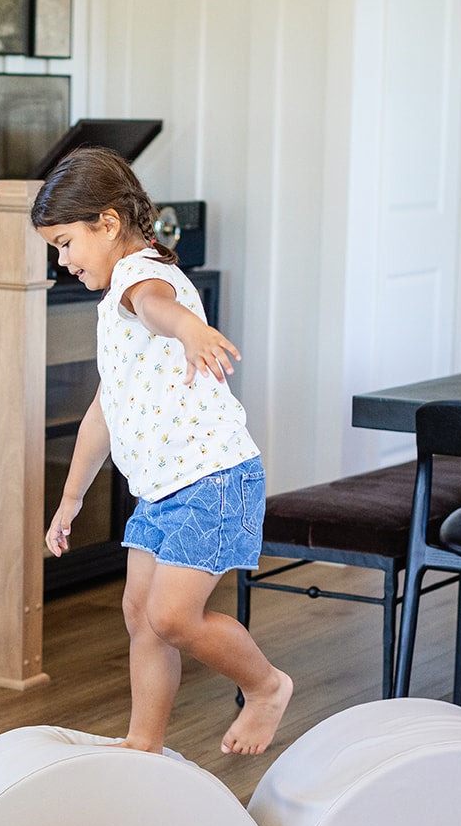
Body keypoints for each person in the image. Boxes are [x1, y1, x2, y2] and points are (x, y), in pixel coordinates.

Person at [32, 147, 292, 756]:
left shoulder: (140, 278)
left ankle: (266, 687)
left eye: (66, 243)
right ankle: (142, 744)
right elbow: (104, 412)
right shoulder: (112, 300)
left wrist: (188, 328)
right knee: (141, 616)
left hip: (212, 479)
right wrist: (69, 501)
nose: (62, 260)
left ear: (108, 223)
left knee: (173, 616)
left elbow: (155, 306)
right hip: (163, 490)